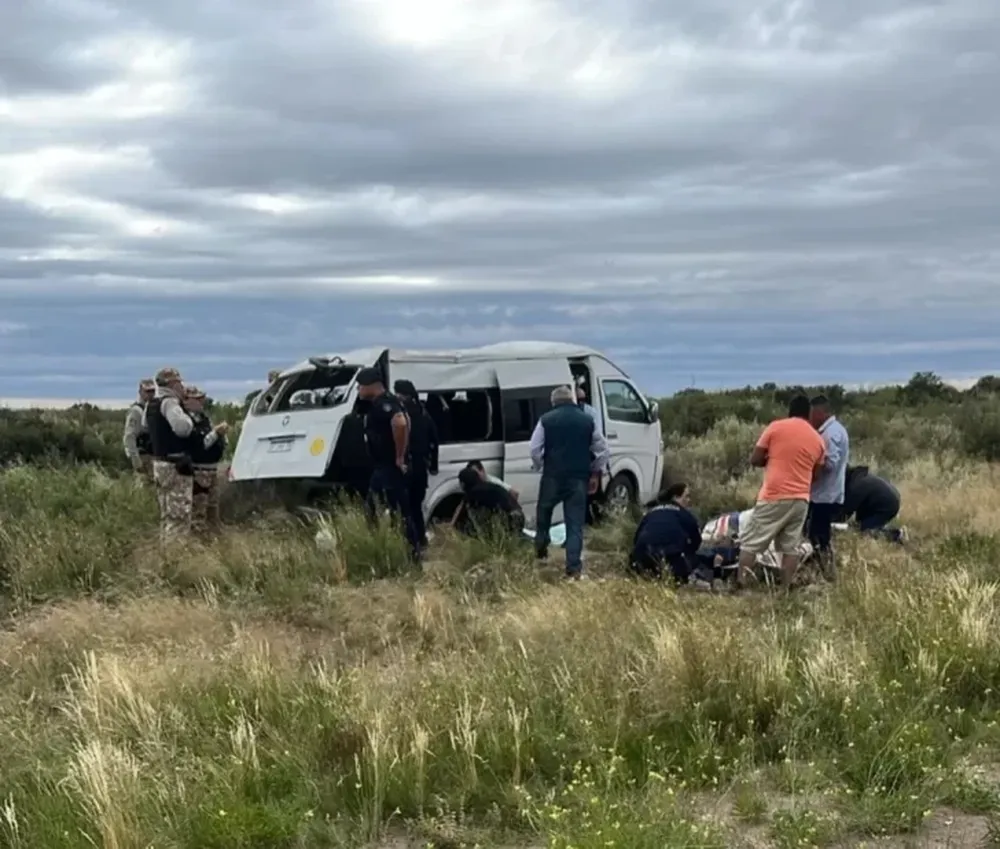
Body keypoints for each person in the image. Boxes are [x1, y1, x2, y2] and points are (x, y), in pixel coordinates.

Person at [736, 395, 826, 590]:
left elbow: (755, 459)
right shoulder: (817, 439)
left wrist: (771, 460)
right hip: (801, 499)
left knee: (751, 541)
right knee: (790, 547)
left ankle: (741, 583)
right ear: (808, 414)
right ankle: (784, 589)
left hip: (774, 495)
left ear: (790, 410)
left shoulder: (776, 427)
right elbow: (816, 474)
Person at [529, 384, 611, 579]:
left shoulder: (545, 420)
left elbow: (534, 448)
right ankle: (573, 567)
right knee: (574, 523)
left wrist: (541, 464)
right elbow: (604, 451)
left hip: (552, 476)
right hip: (578, 478)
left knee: (543, 514)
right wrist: (594, 472)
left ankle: (541, 551)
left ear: (553, 402)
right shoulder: (587, 420)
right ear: (572, 400)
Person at [357, 368, 420, 557]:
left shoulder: (385, 404)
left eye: (361, 386)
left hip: (389, 468)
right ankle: (384, 549)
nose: (358, 390)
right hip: (383, 468)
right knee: (376, 510)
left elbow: (400, 423)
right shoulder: (383, 403)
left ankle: (411, 553)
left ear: (372, 386)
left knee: (397, 512)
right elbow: (405, 420)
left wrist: (399, 456)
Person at [145, 367, 196, 546]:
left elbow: (146, 428)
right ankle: (176, 561)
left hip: (159, 464)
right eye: (180, 382)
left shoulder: (151, 405)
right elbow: (182, 428)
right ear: (172, 384)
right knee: (179, 517)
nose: (183, 386)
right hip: (175, 466)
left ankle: (164, 555)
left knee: (166, 516)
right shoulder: (170, 403)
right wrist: (189, 417)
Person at [393, 379, 440, 551]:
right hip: (421, 468)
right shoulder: (423, 413)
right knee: (416, 507)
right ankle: (421, 539)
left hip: (406, 467)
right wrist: (433, 465)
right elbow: (435, 440)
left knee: (404, 508)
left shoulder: (401, 414)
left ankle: (410, 543)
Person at [807, 395, 850, 577]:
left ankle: (825, 569)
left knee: (818, 535)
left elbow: (830, 463)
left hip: (824, 495)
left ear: (820, 412)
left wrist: (810, 466)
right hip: (827, 493)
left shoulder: (830, 434)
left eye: (812, 414)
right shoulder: (835, 430)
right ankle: (823, 567)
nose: (810, 418)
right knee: (818, 532)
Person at [628, 483, 704, 584]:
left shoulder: (651, 512)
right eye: (686, 496)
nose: (689, 500)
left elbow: (636, 539)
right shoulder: (685, 515)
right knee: (694, 559)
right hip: (668, 563)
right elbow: (697, 542)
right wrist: (684, 548)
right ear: (676, 497)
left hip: (639, 562)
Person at [183, 386, 229, 537]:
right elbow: (200, 444)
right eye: (197, 399)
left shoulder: (204, 418)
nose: (201, 402)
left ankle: (213, 538)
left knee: (213, 506)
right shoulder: (186, 421)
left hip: (211, 468)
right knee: (199, 508)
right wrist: (216, 432)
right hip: (198, 469)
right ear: (187, 400)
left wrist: (222, 437)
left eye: (201, 398)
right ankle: (198, 540)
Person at [452, 465, 525, 537]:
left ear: (463, 483)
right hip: (519, 516)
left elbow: (460, 510)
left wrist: (450, 529)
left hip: (510, 520)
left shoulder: (473, 493)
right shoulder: (489, 485)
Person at [841, 466, 907, 543]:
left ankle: (897, 535)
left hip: (887, 504)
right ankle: (883, 529)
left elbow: (845, 512)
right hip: (883, 499)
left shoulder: (855, 486)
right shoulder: (857, 477)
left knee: (865, 531)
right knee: (860, 526)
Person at [576, 386, 606, 527]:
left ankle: (593, 520)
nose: (580, 403)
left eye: (582, 400)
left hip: (589, 456)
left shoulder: (590, 413)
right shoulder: (586, 413)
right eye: (579, 400)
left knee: (593, 493)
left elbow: (598, 441)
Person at [123, 379, 155, 478]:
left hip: (153, 455)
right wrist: (136, 460)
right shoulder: (137, 411)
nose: (150, 394)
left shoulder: (152, 408)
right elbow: (129, 436)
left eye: (152, 391)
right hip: (143, 456)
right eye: (147, 391)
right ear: (140, 392)